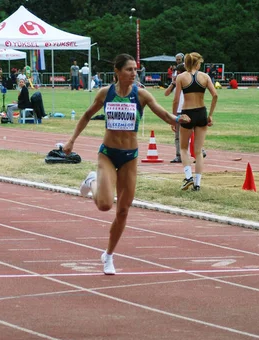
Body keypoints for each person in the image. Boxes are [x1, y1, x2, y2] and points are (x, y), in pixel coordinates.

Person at [62, 54, 190, 275]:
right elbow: (85, 115)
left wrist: (178, 120)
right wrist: (71, 140)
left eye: (135, 69)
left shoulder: (141, 95)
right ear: (118, 72)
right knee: (104, 205)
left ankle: (109, 255)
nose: (134, 73)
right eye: (130, 69)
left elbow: (162, 113)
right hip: (108, 155)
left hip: (130, 157)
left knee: (122, 210)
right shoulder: (106, 93)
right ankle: (92, 179)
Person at [173, 52, 218, 191]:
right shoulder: (205, 77)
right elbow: (215, 95)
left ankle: (188, 177)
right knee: (198, 151)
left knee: (184, 148)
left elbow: (176, 99)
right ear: (197, 63)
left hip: (187, 113)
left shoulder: (181, 77)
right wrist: (210, 114)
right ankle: (197, 184)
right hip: (201, 112)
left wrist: (174, 118)